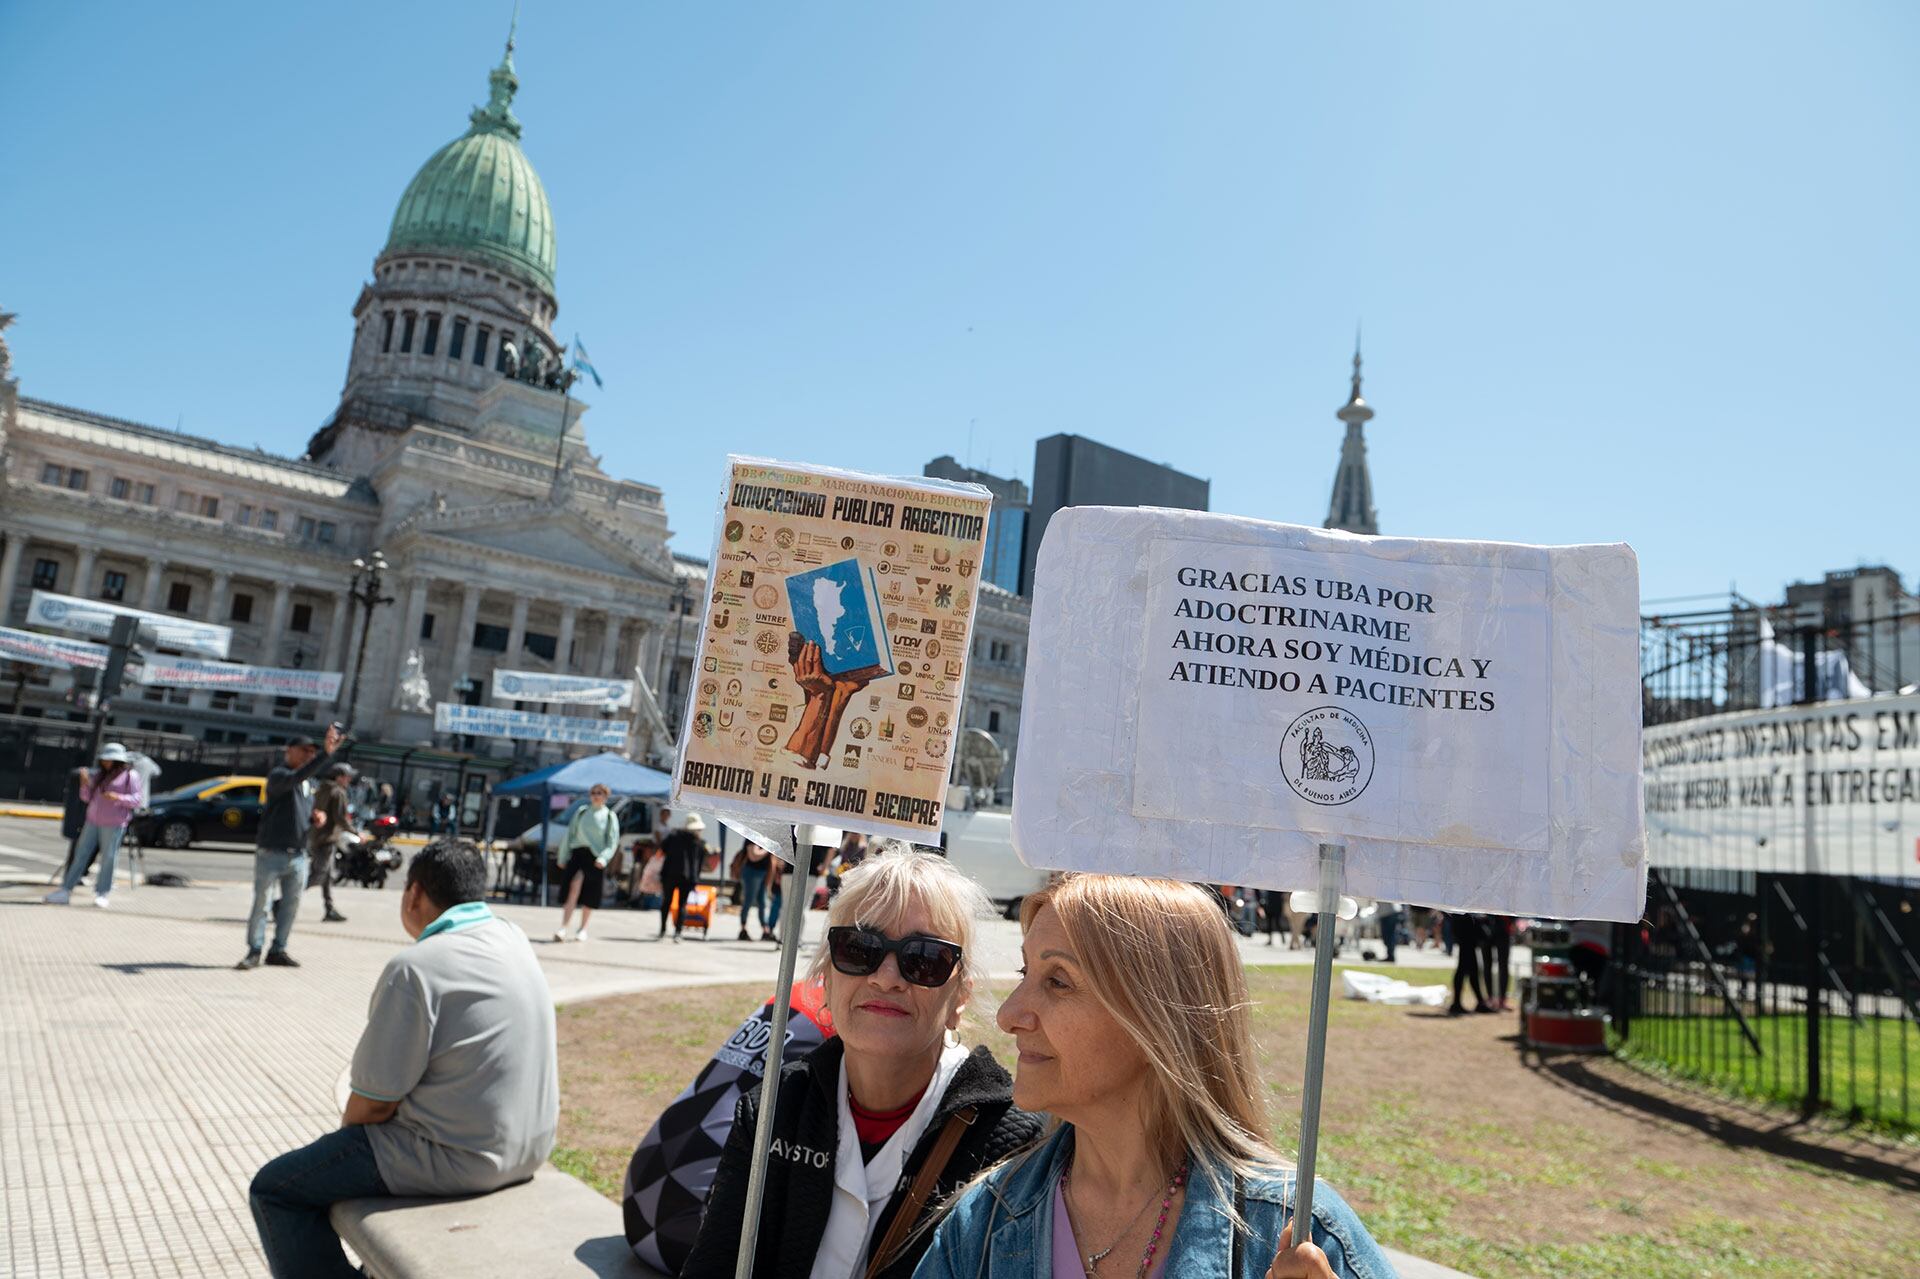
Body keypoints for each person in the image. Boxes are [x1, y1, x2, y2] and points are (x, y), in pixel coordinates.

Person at [919, 874, 1391, 1279]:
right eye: (1025, 972)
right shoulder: (981, 1225)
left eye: (1058, 981)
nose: (1009, 1014)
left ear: (1157, 1020)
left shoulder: (1297, 1234)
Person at [683, 851, 1041, 1279]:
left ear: (959, 998)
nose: (886, 977)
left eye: (924, 958)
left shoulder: (1011, 1143)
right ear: (827, 980)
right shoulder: (772, 1112)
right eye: (859, 948)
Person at [248, 838, 558, 1279]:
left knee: (276, 1189)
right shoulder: (513, 937)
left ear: (413, 893)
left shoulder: (417, 966)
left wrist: (342, 1153)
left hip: (460, 1159)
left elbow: (374, 1103)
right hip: (529, 1148)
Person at [237, 725, 341, 970]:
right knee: (262, 903)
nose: (309, 756)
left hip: (297, 855)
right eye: (304, 751)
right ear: (289, 751)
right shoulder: (280, 775)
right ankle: (254, 950)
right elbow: (295, 778)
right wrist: (326, 755)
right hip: (271, 852)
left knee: (290, 906)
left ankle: (278, 949)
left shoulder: (307, 785)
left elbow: (299, 810)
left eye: (312, 753)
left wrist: (316, 816)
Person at [44, 743, 146, 908]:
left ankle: (102, 892)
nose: (105, 762)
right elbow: (87, 797)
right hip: (92, 821)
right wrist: (85, 784)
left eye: (109, 759)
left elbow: (136, 800)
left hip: (114, 823)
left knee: (109, 858)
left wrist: (117, 797)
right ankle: (65, 890)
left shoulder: (130, 776)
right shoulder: (100, 775)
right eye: (104, 759)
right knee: (80, 855)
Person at [553, 784, 619, 942]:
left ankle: (583, 928)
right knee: (572, 889)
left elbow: (612, 841)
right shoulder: (582, 811)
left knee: (590, 894)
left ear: (605, 796)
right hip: (578, 854)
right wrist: (562, 857)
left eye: (600, 793)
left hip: (595, 858)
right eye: (594, 793)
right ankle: (563, 927)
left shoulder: (609, 816)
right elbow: (570, 835)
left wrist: (603, 858)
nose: (596, 796)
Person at [308, 763, 355, 924]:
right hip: (327, 839)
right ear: (339, 777)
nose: (349, 780)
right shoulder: (338, 792)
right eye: (347, 776)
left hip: (316, 837)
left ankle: (329, 909)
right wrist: (356, 833)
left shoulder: (322, 789)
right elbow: (340, 818)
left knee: (327, 877)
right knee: (318, 875)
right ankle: (281, 902)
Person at [658, 814, 707, 941]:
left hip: (670, 874)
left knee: (666, 902)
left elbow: (663, 849)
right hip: (687, 877)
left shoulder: (673, 836)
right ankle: (678, 933)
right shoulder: (699, 843)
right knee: (682, 905)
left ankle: (663, 930)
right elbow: (699, 864)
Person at [1447, 913, 1490, 1015]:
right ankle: (1457, 1003)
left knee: (1471, 968)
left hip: (1465, 927)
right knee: (1464, 968)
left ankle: (1479, 1001)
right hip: (1465, 928)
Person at [736, 842, 773, 941]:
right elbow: (753, 856)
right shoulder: (753, 837)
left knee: (762, 902)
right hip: (752, 872)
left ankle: (765, 930)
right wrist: (769, 848)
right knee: (748, 901)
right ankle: (743, 930)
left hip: (762, 872)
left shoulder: (765, 838)